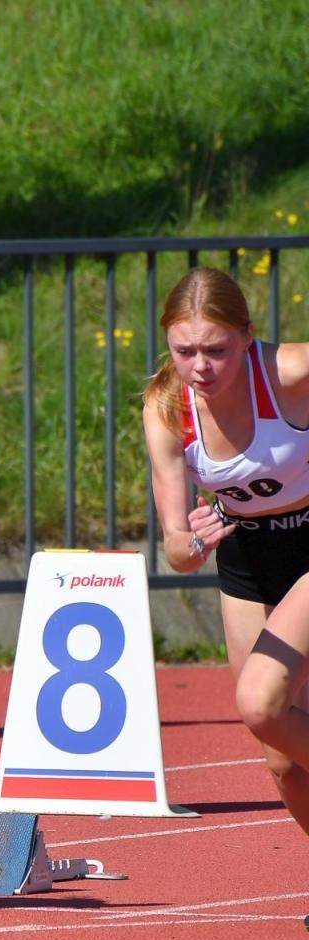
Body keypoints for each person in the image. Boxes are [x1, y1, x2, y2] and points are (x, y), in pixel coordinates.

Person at [143, 266, 309, 840]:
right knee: (283, 762)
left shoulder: (289, 371)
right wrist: (193, 541)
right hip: (244, 562)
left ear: (247, 335)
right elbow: (176, 554)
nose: (200, 367)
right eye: (184, 351)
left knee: (261, 702)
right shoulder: (168, 407)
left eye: (216, 349)